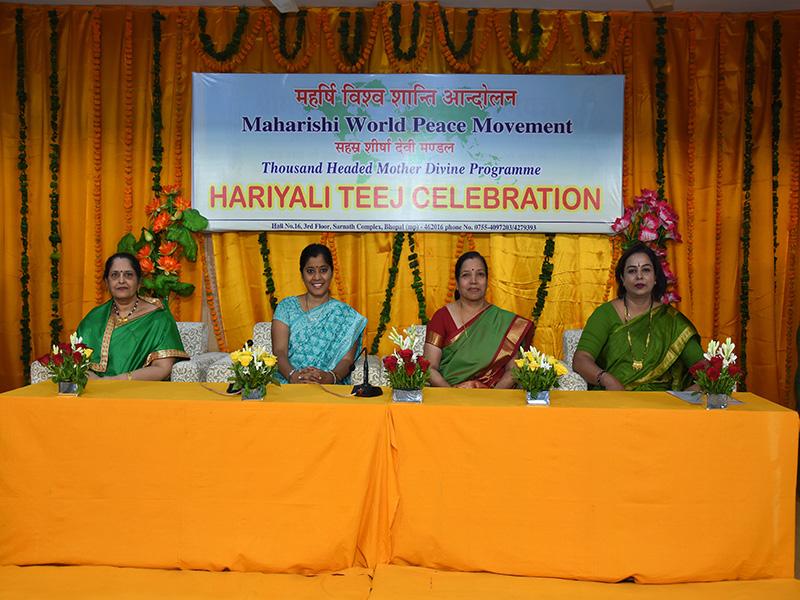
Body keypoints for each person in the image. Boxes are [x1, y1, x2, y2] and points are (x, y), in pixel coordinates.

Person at [572, 243, 703, 391]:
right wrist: (607, 380)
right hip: (614, 400)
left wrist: (684, 399)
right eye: (632, 271)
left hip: (661, 405)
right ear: (622, 278)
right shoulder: (605, 314)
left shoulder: (671, 321)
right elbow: (581, 359)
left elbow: (705, 369)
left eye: (646, 270)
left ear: (655, 278)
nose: (639, 276)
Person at [424, 251, 534, 388]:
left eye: (480, 274)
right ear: (457, 283)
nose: (474, 281)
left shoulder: (505, 322)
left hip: (494, 400)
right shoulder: (441, 317)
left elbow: (513, 371)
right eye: (466, 275)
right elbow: (429, 368)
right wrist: (451, 394)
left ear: (487, 282)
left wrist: (492, 399)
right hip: (450, 398)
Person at [78, 252, 187, 380]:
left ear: (139, 282)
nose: (121, 280)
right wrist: (97, 382)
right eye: (114, 275)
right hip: (96, 391)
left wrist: (119, 380)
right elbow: (77, 362)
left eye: (128, 275)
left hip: (140, 390)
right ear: (107, 283)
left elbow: (162, 368)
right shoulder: (94, 318)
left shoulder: (158, 318)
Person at [272, 243, 366, 384]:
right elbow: (279, 351)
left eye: (323, 270)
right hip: (288, 384)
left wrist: (330, 377)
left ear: (332, 272)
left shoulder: (346, 315)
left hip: (328, 387)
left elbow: (347, 360)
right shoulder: (286, 307)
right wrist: (294, 376)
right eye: (310, 271)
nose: (317, 277)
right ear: (302, 275)